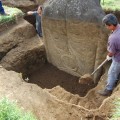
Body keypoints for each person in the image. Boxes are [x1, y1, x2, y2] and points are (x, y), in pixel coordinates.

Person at [98, 13, 120, 96]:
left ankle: (108, 89)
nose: (106, 27)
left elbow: (112, 52)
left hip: (118, 59)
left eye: (107, 25)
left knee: (111, 72)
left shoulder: (113, 38)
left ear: (111, 25)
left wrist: (109, 56)